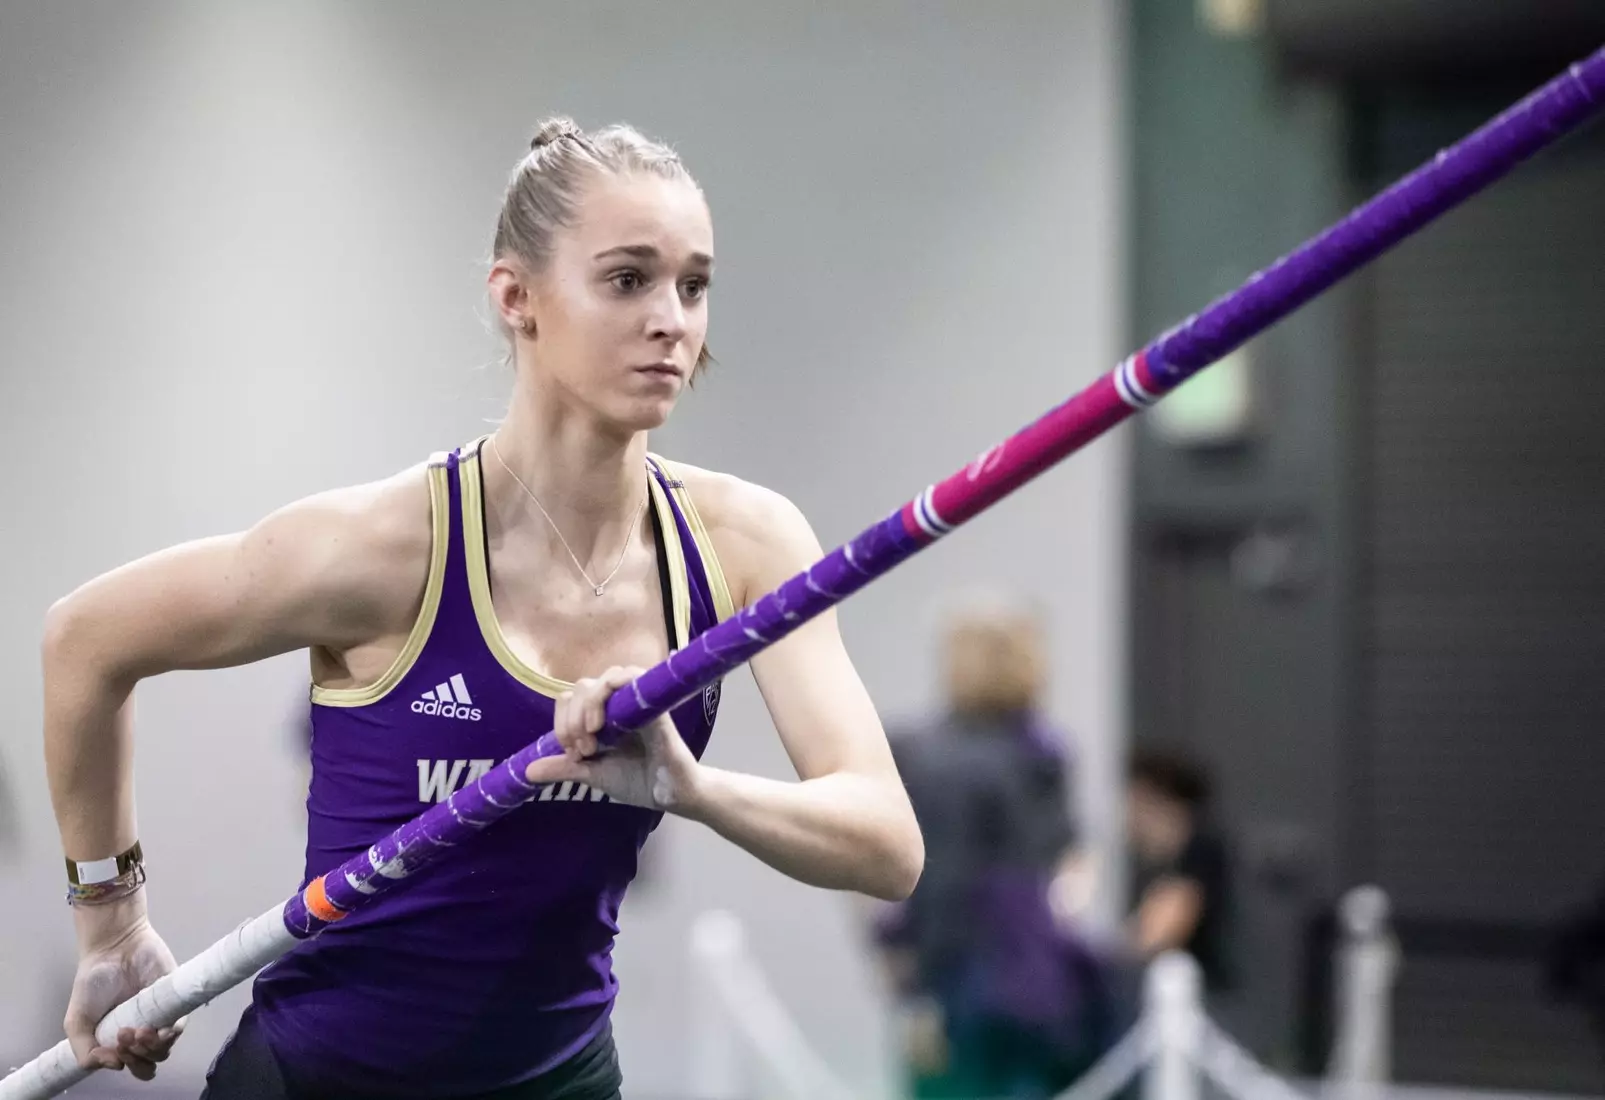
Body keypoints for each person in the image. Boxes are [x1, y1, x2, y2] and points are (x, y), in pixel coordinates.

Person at [41, 117, 923, 1100]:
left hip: (561, 1080)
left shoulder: (743, 545)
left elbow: (886, 842)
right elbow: (85, 640)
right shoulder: (385, 548)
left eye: (694, 283)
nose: (672, 316)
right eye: (629, 279)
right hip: (320, 1080)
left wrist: (690, 787)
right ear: (517, 296)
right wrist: (110, 919)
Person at [873, 595, 1103, 1099]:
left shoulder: (915, 748)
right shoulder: (1043, 751)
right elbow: (1070, 867)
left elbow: (891, 867)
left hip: (942, 957)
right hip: (1026, 967)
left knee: (943, 1086)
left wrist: (894, 948)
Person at [1123, 746, 1234, 993]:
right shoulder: (1166, 864)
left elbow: (1155, 934)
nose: (1130, 819)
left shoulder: (1200, 852)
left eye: (1137, 805)